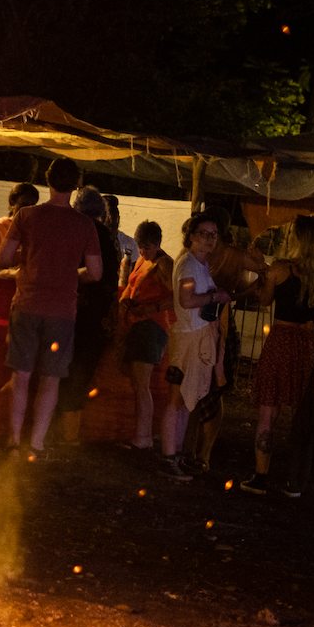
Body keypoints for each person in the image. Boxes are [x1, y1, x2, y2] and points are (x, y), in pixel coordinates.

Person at [239, 216, 314, 496]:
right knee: (303, 413)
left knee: (268, 413)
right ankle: (295, 481)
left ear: (295, 239)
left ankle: (260, 477)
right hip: (308, 343)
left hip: (280, 341)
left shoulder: (280, 270)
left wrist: (263, 272)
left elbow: (265, 300)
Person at [0, 158, 102, 460]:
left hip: (27, 304)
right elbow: (95, 272)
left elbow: (3, 257)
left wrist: (30, 258)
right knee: (51, 378)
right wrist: (70, 272)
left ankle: (14, 441)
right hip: (62, 312)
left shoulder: (26, 216)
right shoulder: (85, 225)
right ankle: (37, 444)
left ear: (47, 180)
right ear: (76, 185)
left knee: (22, 376)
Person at [183, 205, 267, 471]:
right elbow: (264, 273)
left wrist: (236, 296)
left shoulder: (232, 256)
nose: (209, 238)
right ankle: (196, 452)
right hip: (200, 326)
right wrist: (242, 293)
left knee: (210, 390)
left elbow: (265, 273)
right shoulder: (195, 258)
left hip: (217, 327)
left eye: (212, 233)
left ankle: (201, 453)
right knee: (197, 391)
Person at [158, 212, 231, 481]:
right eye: (204, 233)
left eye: (213, 235)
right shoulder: (189, 265)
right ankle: (169, 455)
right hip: (188, 339)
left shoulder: (199, 264)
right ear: (191, 236)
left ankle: (176, 454)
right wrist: (216, 296)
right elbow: (187, 300)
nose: (210, 239)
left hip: (195, 337)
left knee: (185, 401)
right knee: (177, 399)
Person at [55, 187, 120, 445]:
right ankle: (69, 434)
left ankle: (60, 432)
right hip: (95, 316)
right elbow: (111, 280)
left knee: (66, 371)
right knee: (80, 373)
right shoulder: (107, 237)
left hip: (73, 311)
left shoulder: (79, 232)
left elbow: (91, 273)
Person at [117, 220, 174, 450]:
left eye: (147, 247)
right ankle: (141, 434)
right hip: (138, 325)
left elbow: (176, 298)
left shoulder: (164, 264)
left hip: (151, 327)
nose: (142, 251)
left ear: (158, 244)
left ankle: (143, 437)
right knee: (138, 382)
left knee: (142, 384)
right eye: (140, 246)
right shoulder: (143, 260)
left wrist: (151, 308)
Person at [0, 182, 39, 272]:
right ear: (12, 203)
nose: (27, 210)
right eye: (24, 205)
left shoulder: (35, 229)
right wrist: (13, 260)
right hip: (1, 283)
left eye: (32, 206)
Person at [102, 193, 138, 270]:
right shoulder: (93, 242)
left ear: (118, 218)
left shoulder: (130, 243)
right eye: (106, 216)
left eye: (113, 214)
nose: (110, 219)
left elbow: (134, 272)